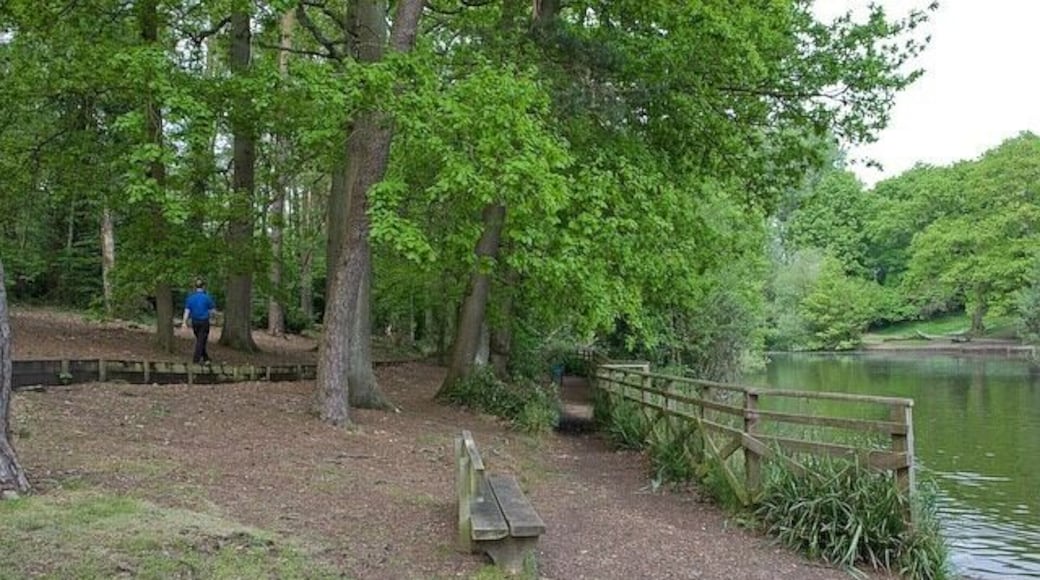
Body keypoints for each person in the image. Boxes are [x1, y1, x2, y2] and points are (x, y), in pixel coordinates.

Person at [182, 279, 216, 364]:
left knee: (200, 340)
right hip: (204, 322)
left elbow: (187, 311)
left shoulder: (190, 298)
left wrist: (184, 322)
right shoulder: (207, 298)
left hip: (195, 322)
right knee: (201, 341)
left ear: (195, 287)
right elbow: (212, 311)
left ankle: (206, 358)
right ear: (203, 287)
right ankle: (196, 360)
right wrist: (213, 317)